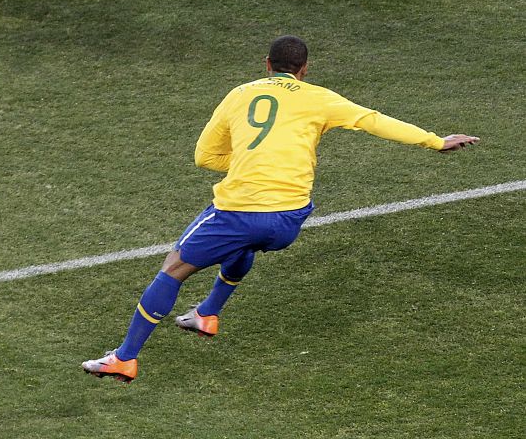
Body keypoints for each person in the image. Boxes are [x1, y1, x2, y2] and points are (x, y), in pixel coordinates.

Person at [82, 35, 479, 383]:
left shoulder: (239, 94)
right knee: (245, 246)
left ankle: (125, 359)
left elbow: (204, 156)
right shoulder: (321, 98)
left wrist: (245, 162)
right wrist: (435, 141)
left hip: (238, 211)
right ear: (303, 70)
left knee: (173, 268)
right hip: (290, 219)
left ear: (267, 65)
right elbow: (373, 120)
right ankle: (207, 314)